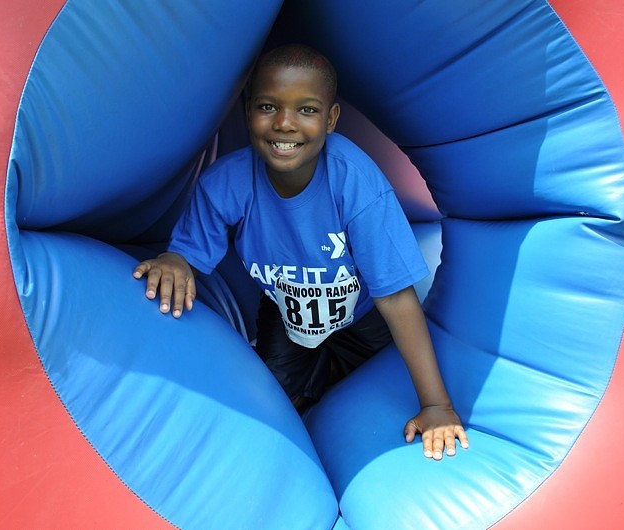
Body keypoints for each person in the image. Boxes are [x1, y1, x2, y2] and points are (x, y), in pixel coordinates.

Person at [133, 43, 468, 460]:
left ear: (331, 119)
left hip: (364, 316)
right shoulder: (228, 182)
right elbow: (187, 253)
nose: (285, 124)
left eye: (307, 110)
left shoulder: (353, 181)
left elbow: (396, 296)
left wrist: (436, 405)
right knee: (272, 413)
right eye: (268, 106)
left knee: (366, 398)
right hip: (286, 316)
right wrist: (172, 261)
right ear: (247, 110)